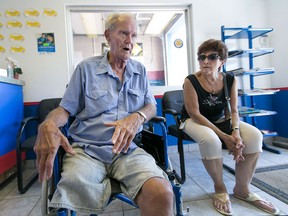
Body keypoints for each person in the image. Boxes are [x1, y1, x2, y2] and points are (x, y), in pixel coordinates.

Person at [34, 13, 173, 216]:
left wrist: (139, 116)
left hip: (128, 150)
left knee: (162, 192)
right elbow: (64, 109)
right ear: (108, 35)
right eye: (124, 33)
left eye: (134, 35)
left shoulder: (140, 71)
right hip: (86, 151)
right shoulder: (85, 70)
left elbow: (151, 105)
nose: (130, 41)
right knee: (67, 196)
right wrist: (49, 124)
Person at [181, 39, 280, 215]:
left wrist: (236, 133)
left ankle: (242, 189)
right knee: (211, 140)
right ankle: (220, 188)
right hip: (192, 120)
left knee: (255, 136)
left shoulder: (229, 79)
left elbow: (234, 111)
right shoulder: (190, 81)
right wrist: (225, 137)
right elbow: (195, 114)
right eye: (201, 57)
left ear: (222, 61)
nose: (205, 61)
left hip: (221, 120)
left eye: (212, 57)